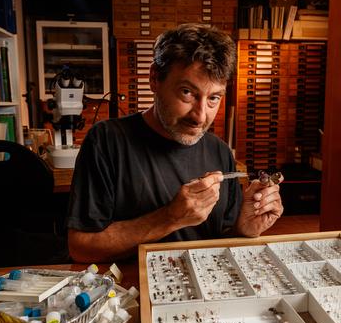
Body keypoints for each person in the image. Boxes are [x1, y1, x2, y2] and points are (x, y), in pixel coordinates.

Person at [66, 23, 284, 262]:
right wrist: (169, 218)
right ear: (154, 79)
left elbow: (221, 240)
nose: (200, 116)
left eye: (213, 98)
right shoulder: (106, 141)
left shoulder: (219, 150)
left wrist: (243, 229)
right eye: (187, 92)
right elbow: (81, 248)